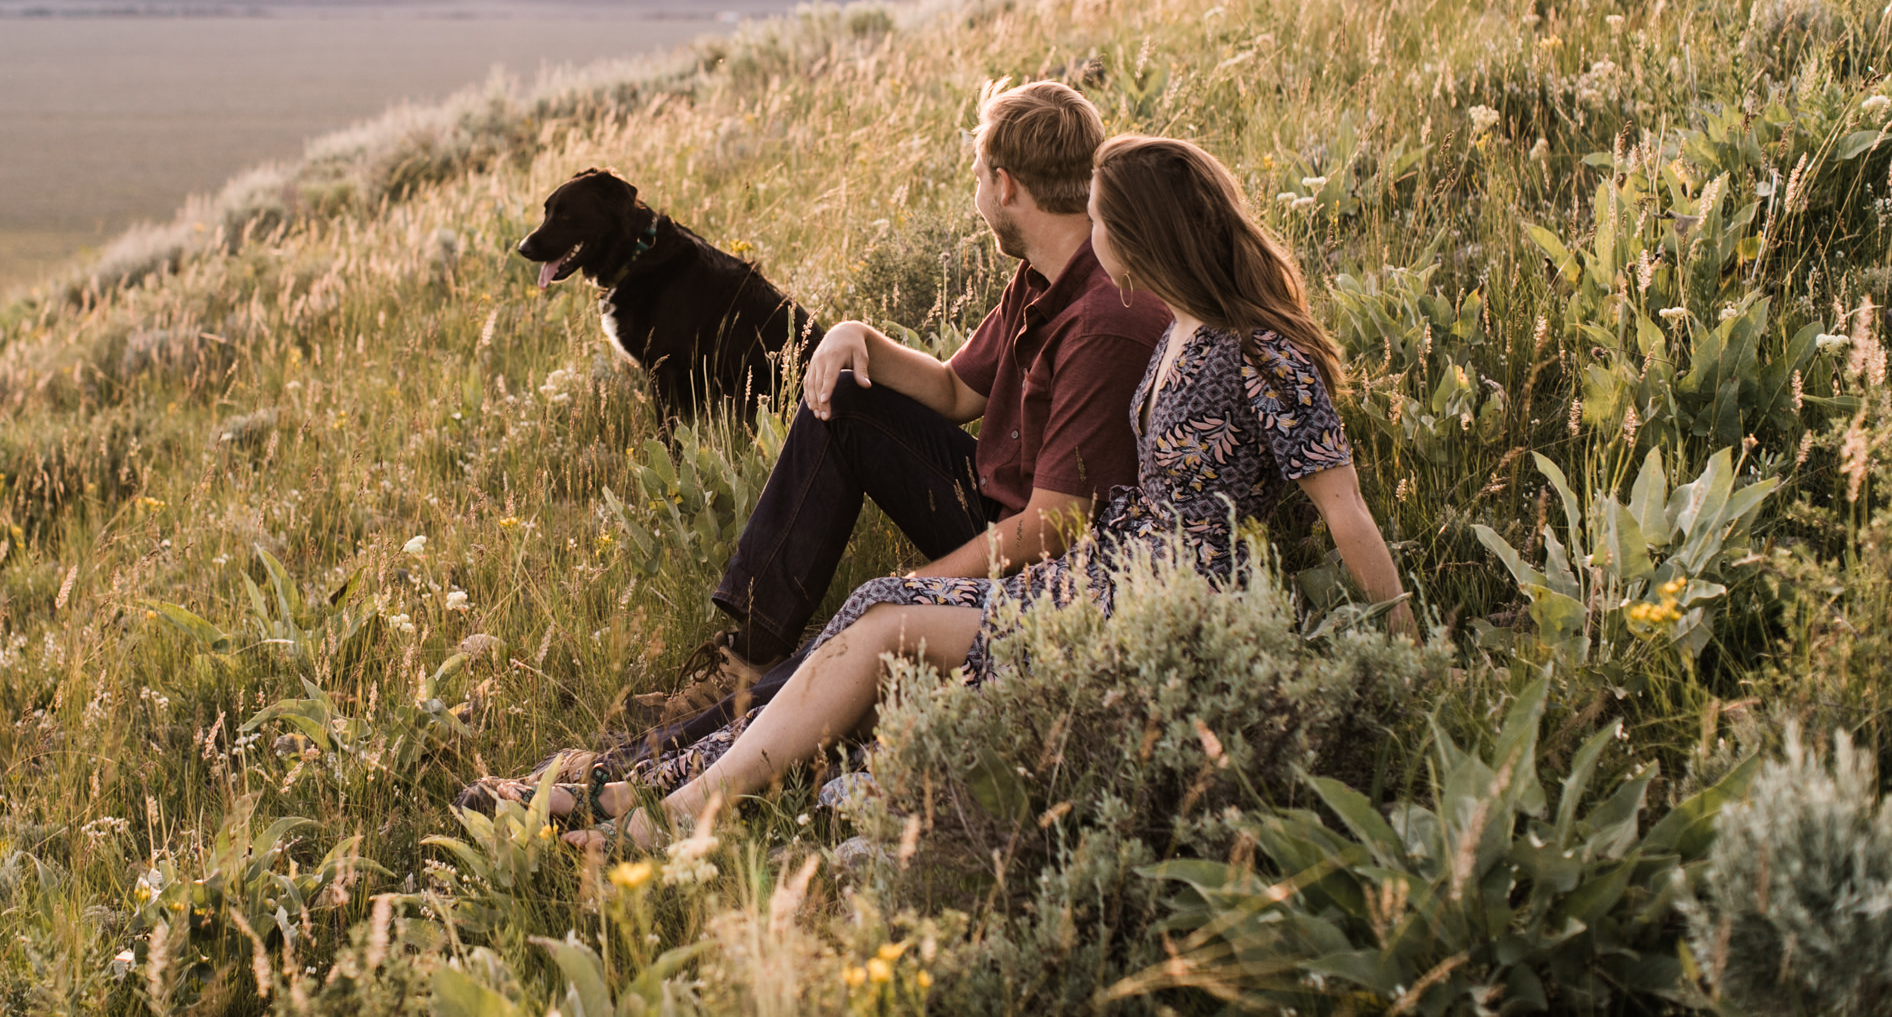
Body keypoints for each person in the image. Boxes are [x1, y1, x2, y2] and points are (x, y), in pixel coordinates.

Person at [561, 132, 1412, 852]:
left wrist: (1406, 662)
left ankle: (669, 813)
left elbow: (1346, 511)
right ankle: (660, 783)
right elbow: (960, 392)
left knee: (885, 619)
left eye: (1103, 218)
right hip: (1116, 568)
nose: (1091, 231)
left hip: (1164, 601)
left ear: (1138, 234)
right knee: (876, 604)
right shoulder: (1183, 323)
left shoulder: (1259, 351)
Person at [460, 80, 1168, 821]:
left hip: (1039, 559)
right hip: (994, 503)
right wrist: (854, 337)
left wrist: (912, 589)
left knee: (863, 625)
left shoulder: (1101, 320)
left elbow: (1052, 528)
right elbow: (959, 391)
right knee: (847, 397)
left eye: (977, 174)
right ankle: (748, 653)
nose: (976, 193)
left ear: (1005, 184)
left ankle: (628, 775)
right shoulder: (1042, 275)